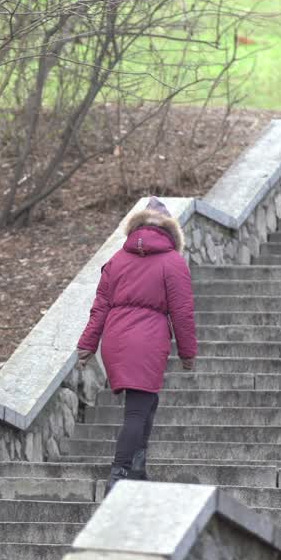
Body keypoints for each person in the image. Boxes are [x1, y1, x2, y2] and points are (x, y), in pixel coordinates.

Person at [77, 197, 198, 492]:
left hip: (116, 340)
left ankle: (138, 468)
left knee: (146, 402)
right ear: (170, 230)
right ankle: (118, 475)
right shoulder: (173, 262)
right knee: (136, 410)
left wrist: (88, 343)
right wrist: (187, 352)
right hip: (148, 341)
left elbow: (100, 305)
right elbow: (182, 312)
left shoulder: (117, 259)